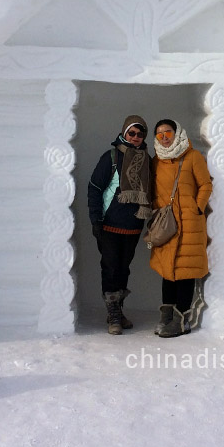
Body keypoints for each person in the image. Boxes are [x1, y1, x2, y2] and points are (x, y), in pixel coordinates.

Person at [88, 115, 152, 334]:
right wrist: (95, 219)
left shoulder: (147, 160)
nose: (135, 137)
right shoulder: (112, 157)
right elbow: (95, 188)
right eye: (131, 133)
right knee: (111, 267)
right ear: (124, 133)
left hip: (133, 225)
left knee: (124, 269)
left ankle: (117, 310)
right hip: (109, 224)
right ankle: (113, 315)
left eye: (140, 133)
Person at [150, 119, 212, 338]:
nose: (164, 137)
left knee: (185, 272)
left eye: (168, 132)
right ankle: (166, 316)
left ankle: (182, 321)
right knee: (168, 272)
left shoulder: (192, 156)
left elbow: (205, 184)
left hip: (189, 224)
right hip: (167, 225)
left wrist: (197, 207)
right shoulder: (156, 161)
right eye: (159, 134)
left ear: (177, 133)